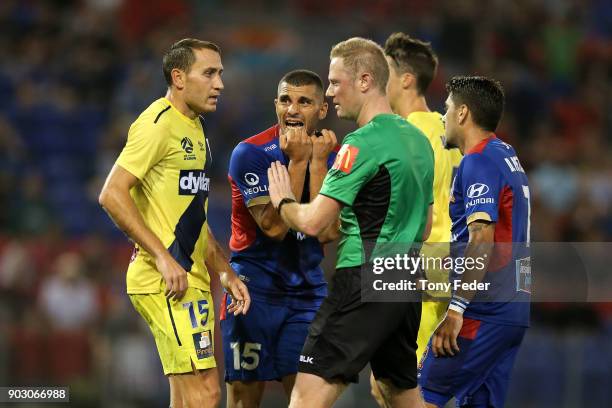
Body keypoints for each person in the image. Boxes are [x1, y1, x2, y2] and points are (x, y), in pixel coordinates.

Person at [267, 37, 434, 408]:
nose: (330, 92)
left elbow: (311, 222)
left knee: (306, 396)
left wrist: (282, 201)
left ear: (364, 80)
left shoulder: (361, 143)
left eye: (335, 82)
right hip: (406, 278)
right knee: (400, 393)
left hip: (364, 276)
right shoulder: (419, 141)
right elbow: (424, 226)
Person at [98, 38, 250, 408]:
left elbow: (192, 219)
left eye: (221, 74)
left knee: (187, 397)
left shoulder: (196, 129)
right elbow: (112, 194)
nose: (220, 84)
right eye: (209, 73)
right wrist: (163, 258)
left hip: (191, 277)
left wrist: (224, 272)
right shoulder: (156, 124)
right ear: (179, 77)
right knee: (207, 392)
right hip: (165, 280)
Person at [221, 69, 339, 407]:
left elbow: (328, 232)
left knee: (307, 399)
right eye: (286, 100)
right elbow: (273, 228)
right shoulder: (251, 153)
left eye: (304, 102)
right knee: (245, 397)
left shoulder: (333, 157)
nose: (292, 109)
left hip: (307, 293)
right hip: (252, 290)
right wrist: (300, 162)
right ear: (276, 104)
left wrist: (317, 165)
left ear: (322, 110)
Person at [418, 76, 531, 408]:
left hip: (482, 309)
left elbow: (482, 237)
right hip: (514, 310)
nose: (444, 116)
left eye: (448, 108)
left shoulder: (477, 160)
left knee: (420, 398)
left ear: (464, 113)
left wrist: (456, 309)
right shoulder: (506, 154)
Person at [369, 32, 463, 406]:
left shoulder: (406, 135)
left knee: (401, 385)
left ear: (406, 79)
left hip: (416, 271)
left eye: (385, 73)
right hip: (448, 267)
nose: (377, 82)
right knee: (418, 383)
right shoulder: (450, 131)